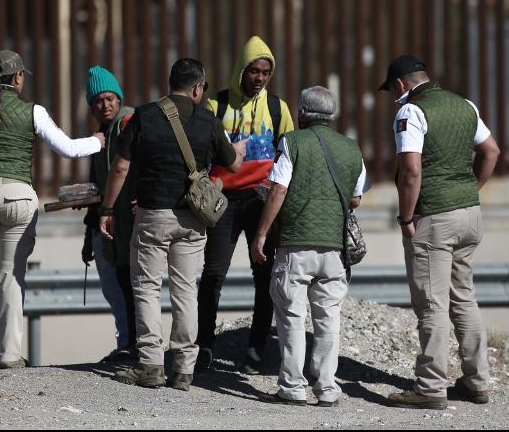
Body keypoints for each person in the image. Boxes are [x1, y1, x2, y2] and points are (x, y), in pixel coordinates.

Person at [0, 50, 106, 369]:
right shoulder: (33, 111)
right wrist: (97, 141)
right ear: (18, 77)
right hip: (18, 196)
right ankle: (8, 354)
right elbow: (68, 149)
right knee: (10, 275)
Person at [99, 58, 244, 392]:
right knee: (185, 290)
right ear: (197, 88)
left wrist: (107, 209)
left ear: (171, 84)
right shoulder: (209, 121)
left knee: (147, 288)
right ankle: (183, 369)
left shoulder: (144, 116)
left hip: (152, 216)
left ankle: (151, 364)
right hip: (192, 219)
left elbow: (120, 167)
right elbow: (234, 165)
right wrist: (238, 149)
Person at [378, 55, 500, 409]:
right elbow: (491, 151)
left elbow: (411, 172)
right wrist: (469, 190)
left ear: (400, 84)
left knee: (432, 303)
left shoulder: (411, 111)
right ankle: (477, 382)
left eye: (392, 91)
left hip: (434, 218)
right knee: (464, 298)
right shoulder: (465, 105)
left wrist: (405, 218)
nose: (393, 98)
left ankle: (430, 387)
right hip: (470, 215)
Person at [250, 86, 370, 407]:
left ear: (302, 112)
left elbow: (278, 190)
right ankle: (327, 387)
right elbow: (356, 198)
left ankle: (292, 386)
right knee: (328, 318)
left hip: (296, 244)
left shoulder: (292, 142)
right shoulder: (351, 148)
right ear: (332, 115)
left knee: (291, 314)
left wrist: (261, 234)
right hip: (335, 249)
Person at [196, 35, 295, 374]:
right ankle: (204, 345)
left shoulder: (278, 108)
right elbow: (201, 151)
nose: (259, 78)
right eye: (254, 71)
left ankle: (256, 349)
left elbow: (288, 155)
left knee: (264, 275)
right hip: (222, 200)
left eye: (266, 72)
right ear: (241, 70)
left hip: (260, 201)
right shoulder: (216, 106)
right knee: (213, 274)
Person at [81, 66, 137, 362]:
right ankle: (128, 342)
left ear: (119, 99)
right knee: (118, 287)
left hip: (127, 224)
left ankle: (132, 345)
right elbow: (97, 186)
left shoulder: (126, 124)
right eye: (98, 101)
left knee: (129, 286)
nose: (105, 105)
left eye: (109, 99)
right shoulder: (100, 137)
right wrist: (88, 237)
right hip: (109, 227)